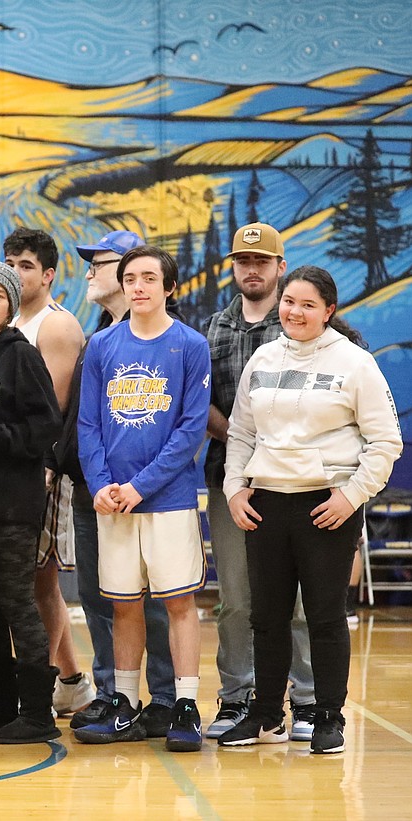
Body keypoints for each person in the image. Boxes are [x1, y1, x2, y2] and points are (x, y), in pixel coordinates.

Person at [219, 266, 401, 755]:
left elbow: (385, 442)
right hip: (265, 505)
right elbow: (240, 433)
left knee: (323, 618)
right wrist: (236, 488)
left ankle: (328, 717)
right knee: (267, 618)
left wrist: (350, 496)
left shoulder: (356, 363)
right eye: (289, 302)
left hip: (327, 508)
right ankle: (264, 716)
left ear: (329, 312)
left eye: (307, 305)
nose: (294, 312)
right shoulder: (262, 357)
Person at [73, 245, 210, 753]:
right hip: (113, 500)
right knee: (123, 605)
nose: (138, 286)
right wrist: (101, 485)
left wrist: (138, 487)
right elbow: (87, 423)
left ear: (169, 288)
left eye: (150, 278)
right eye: (130, 277)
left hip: (167, 500)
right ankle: (124, 705)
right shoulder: (103, 345)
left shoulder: (189, 345)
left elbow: (191, 429)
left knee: (178, 603)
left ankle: (186, 706)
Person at [60, 229, 177, 739]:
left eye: (100, 263)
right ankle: (113, 696)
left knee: (152, 601)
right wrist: (91, 480)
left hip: (148, 493)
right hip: (94, 491)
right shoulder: (96, 337)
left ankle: (165, 699)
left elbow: (181, 425)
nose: (90, 272)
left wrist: (134, 485)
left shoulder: (167, 342)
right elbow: (82, 423)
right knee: (99, 596)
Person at [202, 223, 317, 740]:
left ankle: (308, 699)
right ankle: (235, 697)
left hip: (292, 482)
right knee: (236, 598)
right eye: (243, 261)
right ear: (234, 267)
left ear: (279, 266)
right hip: (230, 479)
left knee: (295, 600)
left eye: (262, 262)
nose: (252, 269)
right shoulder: (213, 329)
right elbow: (197, 400)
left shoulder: (298, 323)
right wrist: (242, 440)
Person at [0, 262, 63, 744]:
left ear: (11, 306)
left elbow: (46, 425)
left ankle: (38, 714)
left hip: (13, 504)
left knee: (18, 601)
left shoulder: (20, 355)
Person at [3, 227, 94, 722]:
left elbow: (51, 411)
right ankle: (72, 681)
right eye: (11, 262)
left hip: (42, 469)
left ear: (49, 274)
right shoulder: (10, 319)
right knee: (36, 584)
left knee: (41, 580)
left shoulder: (56, 327)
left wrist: (30, 466)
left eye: (26, 265)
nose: (17, 273)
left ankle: (41, 681)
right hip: (7, 466)